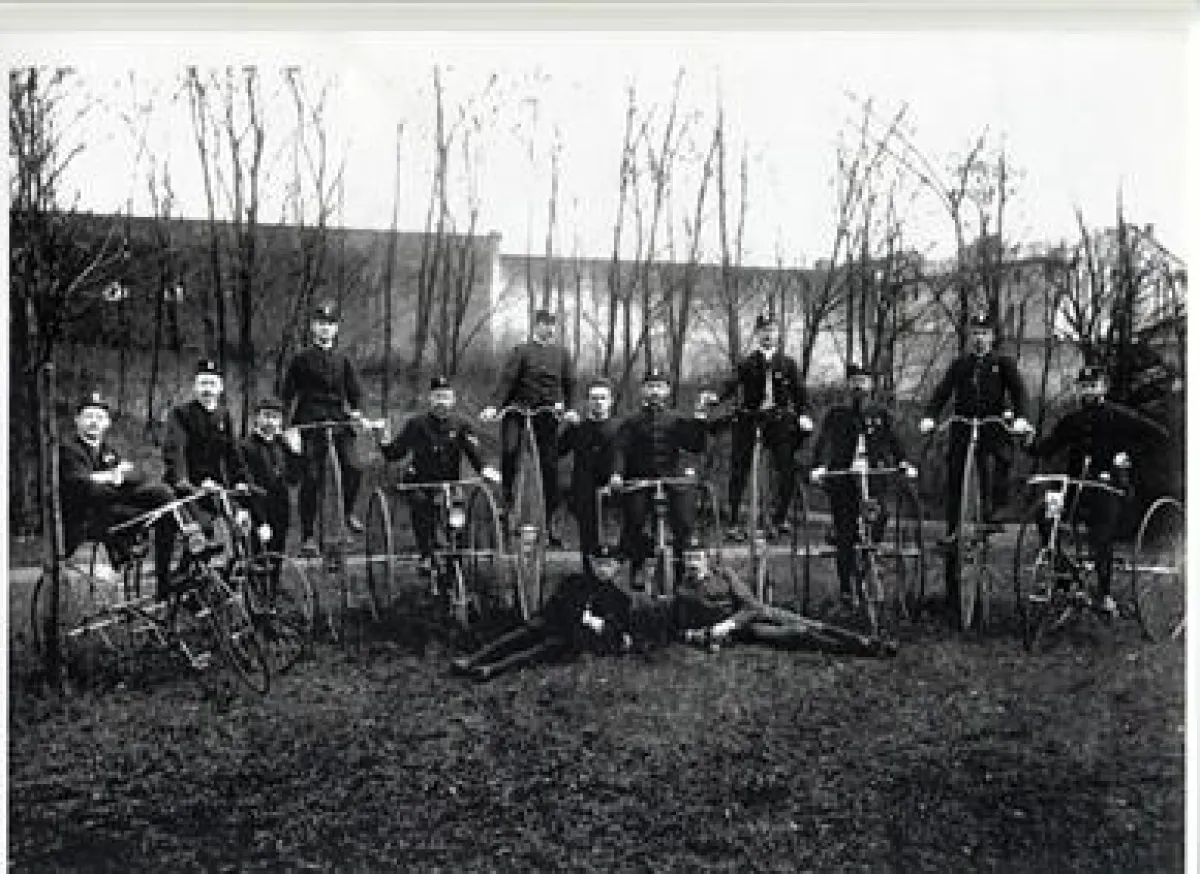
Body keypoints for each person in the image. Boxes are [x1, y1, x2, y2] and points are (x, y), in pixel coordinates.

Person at [1024, 365, 1169, 616]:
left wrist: (1127, 457)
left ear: (1104, 387)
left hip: (1109, 489)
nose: (1089, 391)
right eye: (1084, 386)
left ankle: (1104, 594)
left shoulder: (1119, 416)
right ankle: (1064, 575)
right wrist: (1027, 442)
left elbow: (1159, 435)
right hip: (1076, 490)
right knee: (1045, 514)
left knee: (1100, 533)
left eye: (1094, 385)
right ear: (1079, 389)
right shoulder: (1071, 421)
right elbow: (1047, 448)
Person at [809, 363, 917, 612]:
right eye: (855, 381)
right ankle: (846, 588)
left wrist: (903, 462)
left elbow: (894, 442)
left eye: (864, 382)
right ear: (849, 385)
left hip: (873, 475)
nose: (859, 386)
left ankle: (872, 557)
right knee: (845, 531)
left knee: (880, 515)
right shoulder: (836, 414)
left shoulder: (880, 414)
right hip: (843, 478)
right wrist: (819, 466)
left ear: (871, 385)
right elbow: (823, 443)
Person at [674, 537, 895, 656]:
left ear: (706, 560)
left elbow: (751, 606)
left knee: (814, 624)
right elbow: (683, 628)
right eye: (688, 559)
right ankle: (859, 650)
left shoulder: (724, 574)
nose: (692, 564)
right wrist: (701, 634)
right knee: (796, 634)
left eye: (696, 558)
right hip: (747, 630)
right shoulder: (683, 592)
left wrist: (727, 625)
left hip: (755, 614)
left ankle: (869, 643)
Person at [59, 390, 178, 600]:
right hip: (87, 519)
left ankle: (164, 578)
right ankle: (122, 550)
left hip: (112, 509)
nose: (93, 422)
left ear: (107, 422)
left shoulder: (108, 451)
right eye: (88, 416)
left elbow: (133, 475)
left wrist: (113, 478)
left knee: (164, 496)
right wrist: (111, 477)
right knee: (112, 498)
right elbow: (83, 486)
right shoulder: (69, 450)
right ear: (77, 420)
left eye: (99, 417)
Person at [451, 545, 635, 680]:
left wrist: (597, 625)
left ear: (617, 567)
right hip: (555, 623)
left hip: (572, 639)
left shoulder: (620, 600)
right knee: (519, 636)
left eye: (609, 565)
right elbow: (556, 605)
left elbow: (618, 632)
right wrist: (543, 620)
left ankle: (493, 669)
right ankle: (473, 660)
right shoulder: (574, 582)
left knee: (537, 651)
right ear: (592, 564)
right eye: (599, 564)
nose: (603, 570)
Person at [380, 376, 500, 571]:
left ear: (453, 400)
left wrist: (485, 469)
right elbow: (395, 453)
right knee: (421, 505)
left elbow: (474, 452)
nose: (441, 403)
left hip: (450, 483)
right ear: (430, 399)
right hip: (421, 482)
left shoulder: (462, 424)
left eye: (445, 397)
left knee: (458, 514)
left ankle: (458, 558)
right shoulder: (416, 424)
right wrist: (384, 442)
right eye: (437, 397)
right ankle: (426, 554)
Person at [480, 308, 578, 542]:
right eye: (546, 324)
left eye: (553, 324)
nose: (550, 329)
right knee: (511, 450)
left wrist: (571, 408)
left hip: (547, 415)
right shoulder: (521, 351)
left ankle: (550, 520)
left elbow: (570, 383)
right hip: (518, 411)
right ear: (536, 326)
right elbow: (507, 381)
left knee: (550, 467)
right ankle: (507, 502)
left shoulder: (562, 354)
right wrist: (494, 406)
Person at [714, 313, 813, 541]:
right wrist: (715, 399)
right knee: (739, 467)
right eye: (763, 331)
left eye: (771, 330)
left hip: (778, 421)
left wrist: (804, 415)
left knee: (786, 466)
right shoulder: (746, 363)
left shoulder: (788, 364)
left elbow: (800, 394)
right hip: (750, 418)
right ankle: (734, 520)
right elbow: (730, 385)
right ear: (757, 334)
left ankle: (780, 517)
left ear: (777, 334)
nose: (768, 335)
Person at [281, 301, 369, 555]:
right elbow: (287, 395)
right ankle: (308, 534)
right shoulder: (300, 359)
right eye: (320, 324)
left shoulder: (343, 360)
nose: (325, 330)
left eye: (329, 325)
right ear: (312, 328)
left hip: (339, 422)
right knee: (311, 478)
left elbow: (357, 394)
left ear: (336, 329)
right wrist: (287, 427)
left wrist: (357, 411)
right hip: (310, 424)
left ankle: (349, 511)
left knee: (354, 467)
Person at [609, 369, 708, 589]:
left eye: (660, 386)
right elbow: (620, 451)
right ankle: (637, 566)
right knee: (634, 519)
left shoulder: (676, 419)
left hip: (671, 480)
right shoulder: (631, 422)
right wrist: (616, 474)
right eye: (651, 386)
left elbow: (695, 445)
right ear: (643, 390)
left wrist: (700, 420)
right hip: (641, 481)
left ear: (667, 391)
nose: (655, 391)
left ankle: (683, 571)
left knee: (683, 522)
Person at [162, 359, 251, 533]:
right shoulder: (181, 413)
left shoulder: (223, 415)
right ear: (195, 387)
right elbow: (175, 450)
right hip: (186, 485)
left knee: (241, 524)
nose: (207, 389)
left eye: (212, 384)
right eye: (203, 383)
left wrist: (240, 480)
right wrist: (182, 480)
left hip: (215, 485)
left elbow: (232, 452)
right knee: (199, 529)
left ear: (220, 388)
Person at [557, 378, 618, 574]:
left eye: (602, 398)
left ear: (611, 401)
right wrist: (566, 426)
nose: (598, 402)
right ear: (587, 402)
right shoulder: (578, 428)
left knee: (614, 540)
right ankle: (589, 580)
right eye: (593, 398)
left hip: (615, 492)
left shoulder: (620, 428)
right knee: (588, 541)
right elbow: (557, 451)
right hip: (584, 492)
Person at [240, 395, 302, 557]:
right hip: (257, 511)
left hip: (280, 511)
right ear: (257, 418)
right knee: (257, 558)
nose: (270, 422)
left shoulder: (282, 445)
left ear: (280, 421)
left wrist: (296, 453)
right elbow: (247, 484)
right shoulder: (245, 447)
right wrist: (260, 522)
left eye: (275, 418)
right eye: (266, 416)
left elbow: (293, 479)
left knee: (277, 557)